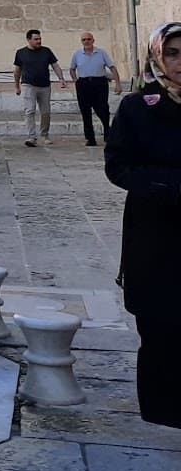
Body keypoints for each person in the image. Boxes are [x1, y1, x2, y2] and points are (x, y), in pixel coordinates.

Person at [105, 22, 181, 428]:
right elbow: (118, 166)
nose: (180, 62)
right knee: (161, 326)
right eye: (172, 53)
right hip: (155, 233)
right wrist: (170, 185)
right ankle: (164, 417)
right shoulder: (139, 107)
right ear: (157, 57)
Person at [13, 28, 67, 147]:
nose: (39, 41)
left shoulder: (46, 51)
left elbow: (55, 66)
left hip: (44, 86)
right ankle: (31, 137)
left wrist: (61, 78)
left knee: (46, 112)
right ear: (28, 40)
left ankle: (45, 135)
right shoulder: (21, 53)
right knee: (30, 110)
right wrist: (17, 85)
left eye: (40, 38)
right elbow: (17, 70)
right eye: (36, 39)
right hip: (28, 85)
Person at [70, 31, 123, 147]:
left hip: (99, 83)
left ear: (93, 40)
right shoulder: (77, 54)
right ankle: (90, 138)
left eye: (88, 39)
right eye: (84, 40)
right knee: (85, 111)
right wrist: (76, 80)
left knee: (103, 109)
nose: (86, 41)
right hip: (83, 84)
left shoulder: (101, 53)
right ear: (81, 42)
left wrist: (117, 83)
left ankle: (107, 133)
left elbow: (112, 68)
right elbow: (72, 68)